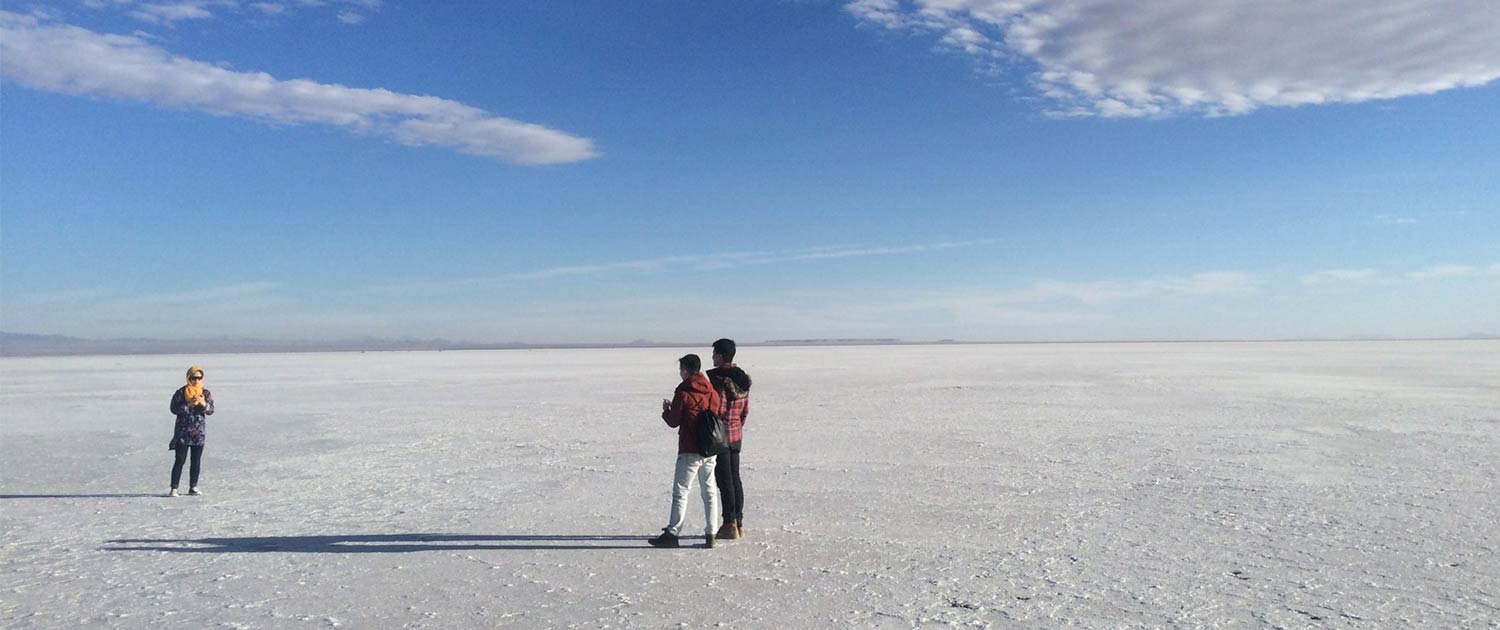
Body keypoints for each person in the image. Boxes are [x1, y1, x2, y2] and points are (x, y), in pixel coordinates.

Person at [649, 354, 723, 549]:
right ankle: (711, 534)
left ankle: (673, 533)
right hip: (709, 449)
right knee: (709, 492)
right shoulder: (711, 391)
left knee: (681, 492)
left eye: (681, 369)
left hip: (689, 449)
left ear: (686, 370)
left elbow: (674, 421)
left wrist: (667, 410)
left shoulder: (683, 393)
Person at [707, 338, 752, 540]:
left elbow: (720, 408)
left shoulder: (720, 379)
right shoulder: (742, 379)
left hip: (722, 435)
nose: (712, 357)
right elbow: (745, 411)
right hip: (736, 434)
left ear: (721, 356)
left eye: (714, 353)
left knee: (724, 480)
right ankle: (739, 522)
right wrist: (737, 425)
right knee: (735, 477)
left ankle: (729, 523)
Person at [167, 365, 215, 497]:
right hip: (183, 433)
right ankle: (174, 488)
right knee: (180, 460)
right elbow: (174, 409)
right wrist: (188, 405)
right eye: (193, 378)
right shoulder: (181, 393)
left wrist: (203, 404)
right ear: (188, 378)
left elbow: (211, 410)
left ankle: (193, 486)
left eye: (199, 378)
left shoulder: (205, 393)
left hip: (198, 433)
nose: (196, 381)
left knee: (196, 461)